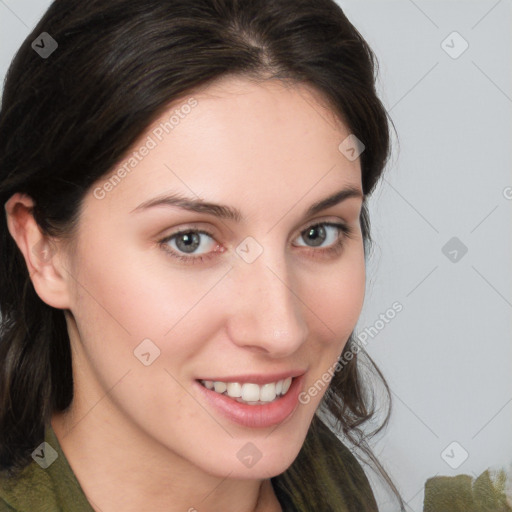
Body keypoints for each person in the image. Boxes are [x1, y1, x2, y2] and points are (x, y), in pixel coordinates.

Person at [0, 0, 404, 510]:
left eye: (318, 233)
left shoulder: (333, 485)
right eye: (189, 240)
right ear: (43, 251)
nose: (282, 330)